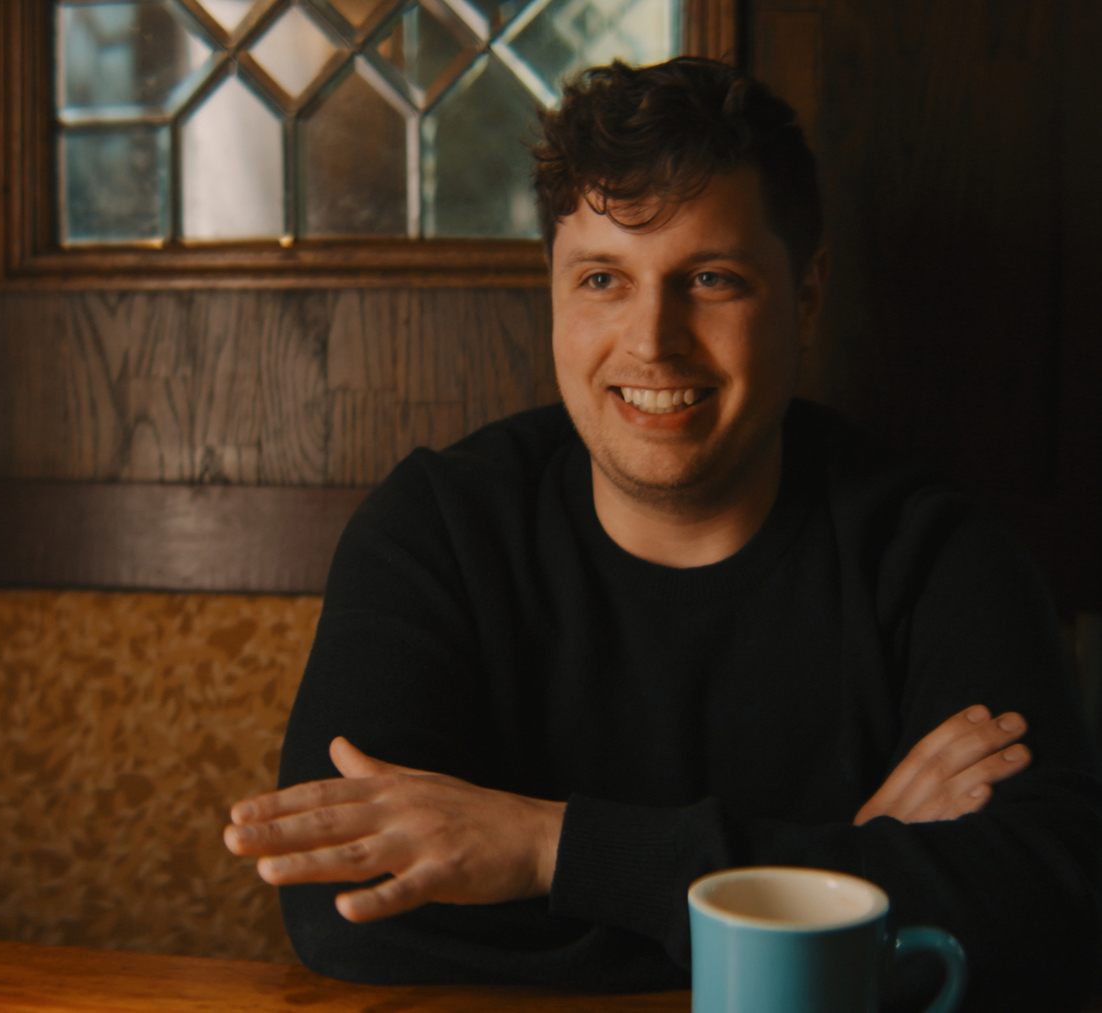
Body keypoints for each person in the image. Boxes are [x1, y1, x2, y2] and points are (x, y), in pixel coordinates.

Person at [223, 58, 1102, 1010]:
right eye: (603, 277)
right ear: (554, 291)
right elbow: (342, 909)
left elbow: (1057, 917)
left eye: (711, 278)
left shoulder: (935, 553)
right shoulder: (436, 529)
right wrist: (820, 895)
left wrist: (544, 849)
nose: (652, 338)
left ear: (806, 294)